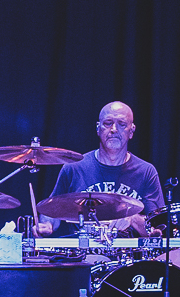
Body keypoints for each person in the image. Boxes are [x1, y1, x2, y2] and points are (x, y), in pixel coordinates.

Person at [34, 101, 165, 236]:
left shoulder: (146, 172)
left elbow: (157, 231)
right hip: (83, 254)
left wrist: (132, 219)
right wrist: (46, 225)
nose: (114, 129)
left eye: (121, 124)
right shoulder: (74, 168)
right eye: (108, 123)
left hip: (128, 254)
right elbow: (52, 211)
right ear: (98, 128)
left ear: (131, 131)